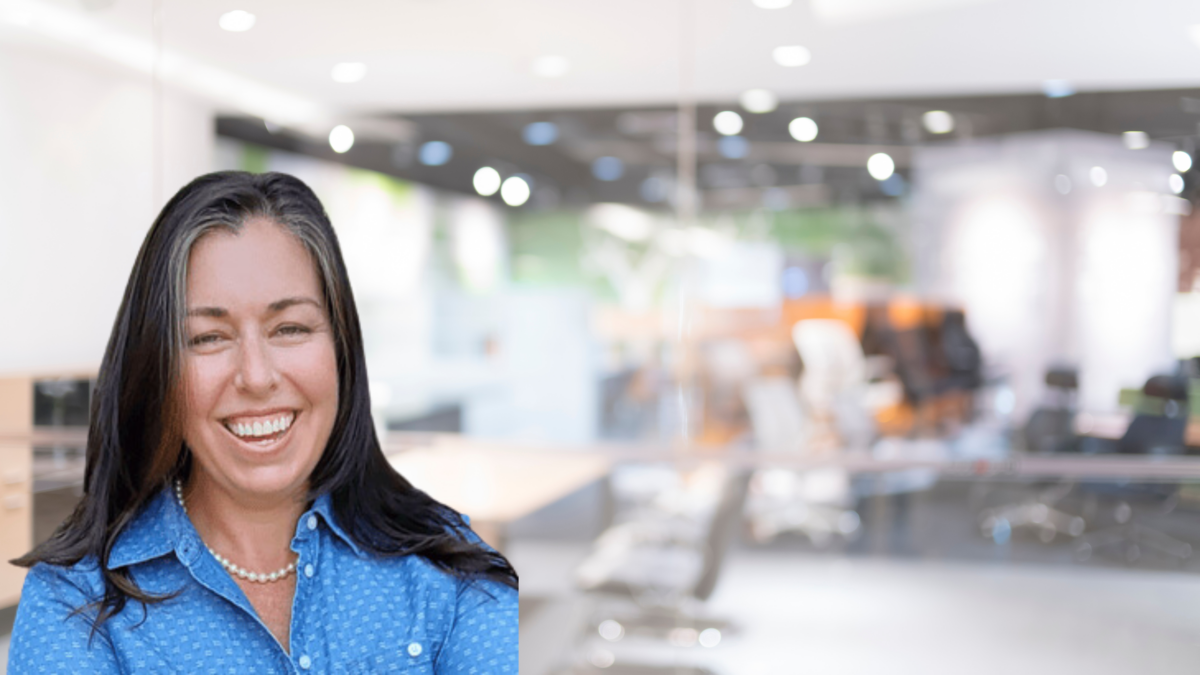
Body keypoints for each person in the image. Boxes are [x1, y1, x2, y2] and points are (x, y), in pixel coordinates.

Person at [8, 171, 519, 672]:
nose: (256, 376)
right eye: (208, 337)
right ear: (157, 367)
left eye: (290, 327)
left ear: (341, 348)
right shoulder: (75, 603)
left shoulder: (453, 573)